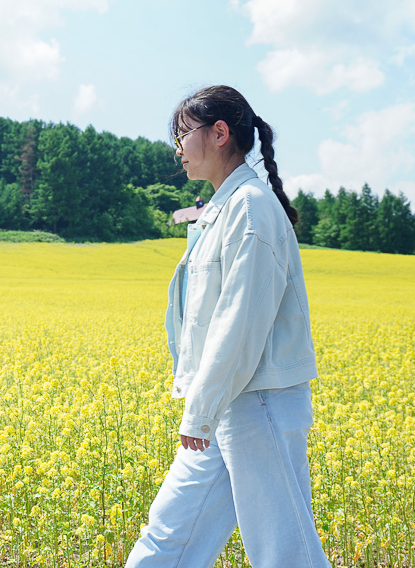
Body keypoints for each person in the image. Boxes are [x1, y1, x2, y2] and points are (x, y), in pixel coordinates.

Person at [125, 86, 331, 568]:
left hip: (258, 402)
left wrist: (200, 409)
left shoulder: (251, 208)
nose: (178, 150)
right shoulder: (223, 209)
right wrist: (205, 405)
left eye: (183, 135)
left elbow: (240, 321)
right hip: (223, 402)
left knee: (285, 551)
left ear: (220, 133)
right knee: (169, 537)